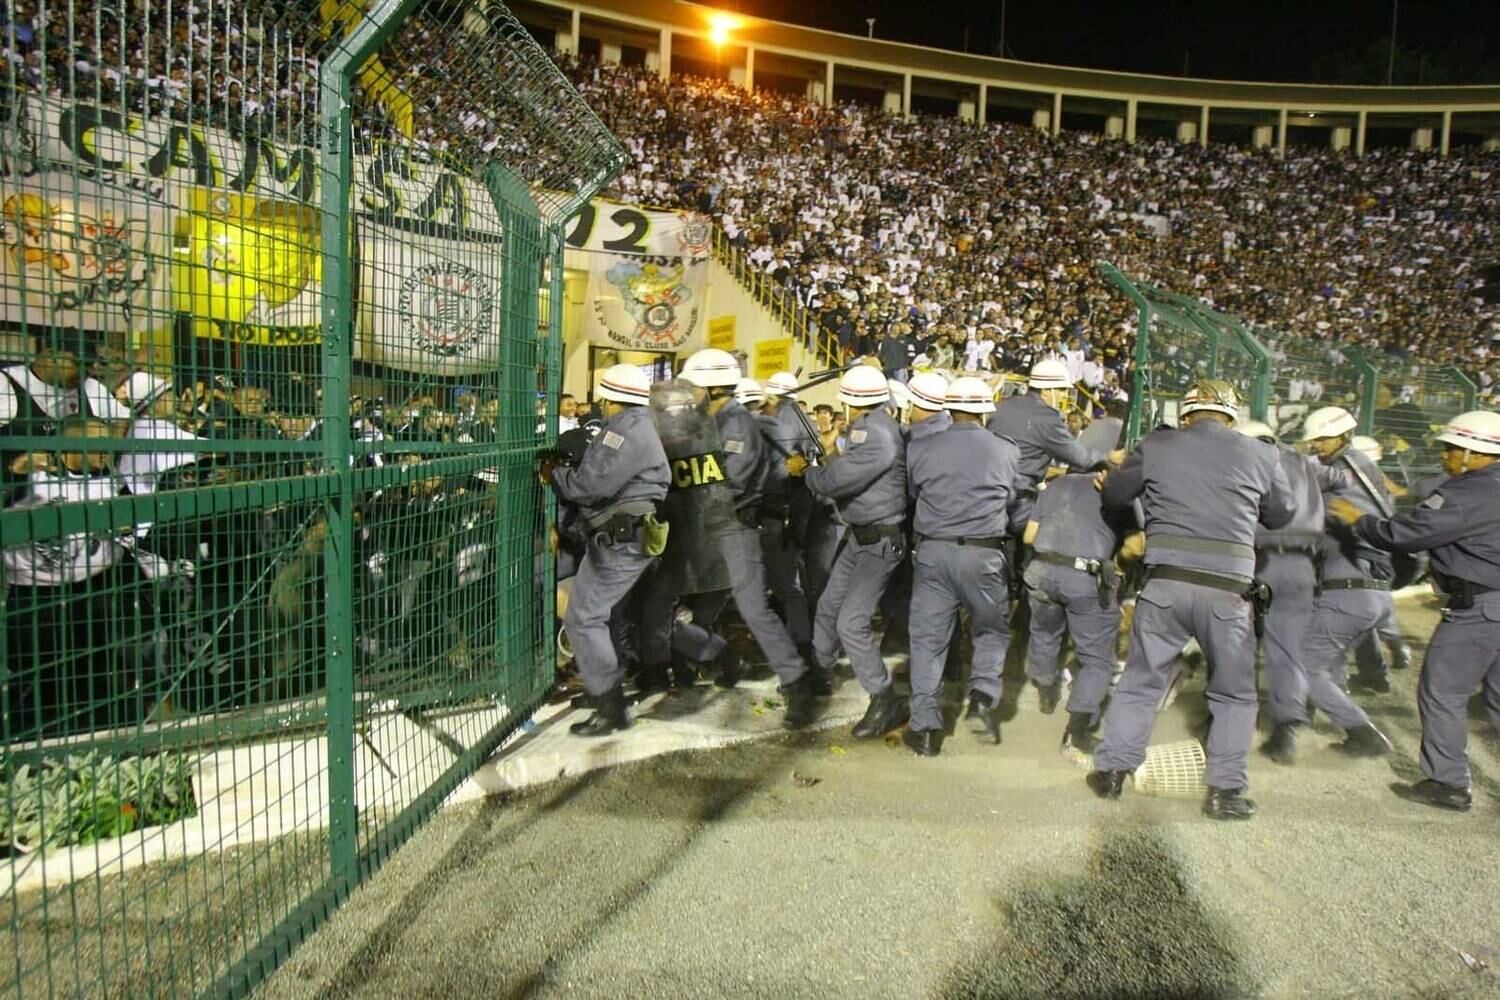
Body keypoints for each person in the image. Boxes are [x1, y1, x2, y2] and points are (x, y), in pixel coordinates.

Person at [1088, 380, 1296, 820]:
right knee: (1234, 694)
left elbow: (1115, 494)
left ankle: (1111, 773)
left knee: (1142, 680)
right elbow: (1281, 515)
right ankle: (1224, 792)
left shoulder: (1157, 444)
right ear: (1231, 416)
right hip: (1229, 592)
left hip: (1165, 585)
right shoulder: (1261, 453)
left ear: (1185, 415)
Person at [1329, 410, 1500, 813]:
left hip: (1481, 606)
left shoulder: (1467, 492)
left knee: (1442, 691)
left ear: (1474, 452)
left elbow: (1405, 535)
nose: (1444, 456)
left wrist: (1361, 521)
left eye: (1451, 448)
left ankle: (1449, 784)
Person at [680, 349, 822, 728]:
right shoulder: (710, 421)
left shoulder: (737, 424)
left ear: (710, 388)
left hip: (733, 529)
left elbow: (731, 480)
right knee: (680, 605)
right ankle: (718, 657)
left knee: (753, 607)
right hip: (708, 529)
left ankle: (797, 683)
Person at [1238, 420, 1390, 765]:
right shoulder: (1303, 463)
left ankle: (1228, 717)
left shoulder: (1246, 459)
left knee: (1240, 640)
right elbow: (1342, 480)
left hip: (1258, 559)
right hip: (1303, 563)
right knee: (1287, 649)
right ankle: (1286, 729)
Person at [543, 364, 670, 737]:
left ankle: (609, 706)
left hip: (622, 539)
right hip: (623, 536)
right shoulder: (638, 424)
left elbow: (589, 485)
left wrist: (555, 475)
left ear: (609, 397)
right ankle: (604, 691)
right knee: (604, 617)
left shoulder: (625, 429)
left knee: (583, 618)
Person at [903, 374, 1022, 756]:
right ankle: (983, 697)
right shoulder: (1006, 450)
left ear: (948, 409)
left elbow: (914, 492)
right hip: (983, 554)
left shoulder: (921, 448)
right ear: (985, 412)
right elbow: (1011, 499)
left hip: (934, 553)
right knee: (990, 629)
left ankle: (924, 731)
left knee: (927, 641)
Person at [788, 365, 907, 740]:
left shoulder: (874, 432)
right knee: (828, 605)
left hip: (880, 541)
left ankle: (885, 697)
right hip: (861, 536)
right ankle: (820, 674)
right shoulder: (874, 424)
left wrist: (806, 470)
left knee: (850, 622)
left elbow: (836, 479)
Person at [1022, 469, 1141, 753]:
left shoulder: (1055, 486)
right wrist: (1119, 568)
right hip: (1085, 578)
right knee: (1097, 658)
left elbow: (1029, 536)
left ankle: (1046, 691)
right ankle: (1078, 729)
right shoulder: (1120, 494)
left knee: (1045, 632)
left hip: (1040, 571)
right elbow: (1136, 547)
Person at [1301, 406, 1397, 696]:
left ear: (1343, 436)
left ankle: (1326, 701)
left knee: (1326, 633)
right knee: (1351, 625)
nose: (1316, 445)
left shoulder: (1346, 468)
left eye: (1323, 440)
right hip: (1365, 560)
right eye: (1314, 441)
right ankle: (1371, 675)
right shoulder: (1359, 463)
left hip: (1350, 559)